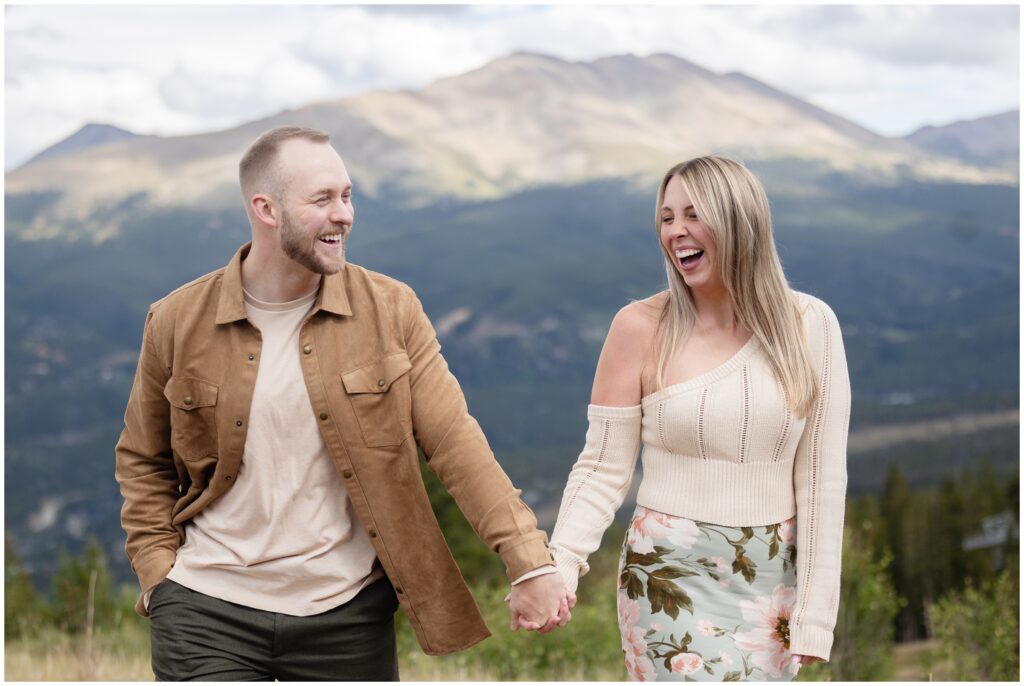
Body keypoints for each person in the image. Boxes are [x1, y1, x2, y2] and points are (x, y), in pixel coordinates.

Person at [115, 125, 571, 681]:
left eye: (347, 195)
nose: (344, 214)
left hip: (347, 617)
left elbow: (456, 443)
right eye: (323, 199)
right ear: (266, 208)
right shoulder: (176, 321)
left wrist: (528, 561)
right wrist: (159, 576)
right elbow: (142, 460)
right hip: (205, 609)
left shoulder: (391, 310)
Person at [547, 156, 850, 681]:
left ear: (740, 221)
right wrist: (562, 563)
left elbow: (823, 480)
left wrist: (816, 613)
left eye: (693, 214)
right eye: (666, 217)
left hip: (772, 582)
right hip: (666, 575)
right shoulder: (638, 327)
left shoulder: (812, 325)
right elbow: (602, 466)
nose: (676, 231)